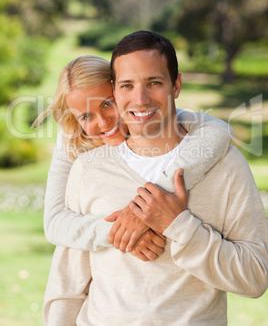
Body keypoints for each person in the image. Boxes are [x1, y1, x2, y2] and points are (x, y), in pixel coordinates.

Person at [43, 31, 268, 325]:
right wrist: (119, 230)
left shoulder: (224, 164)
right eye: (127, 86)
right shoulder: (86, 168)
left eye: (154, 83)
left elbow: (255, 278)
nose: (140, 98)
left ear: (176, 85)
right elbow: (67, 286)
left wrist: (179, 225)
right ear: (117, 89)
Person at [34, 55, 233, 256]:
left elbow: (218, 130)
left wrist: (147, 206)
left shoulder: (149, 114)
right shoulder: (73, 139)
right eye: (86, 116)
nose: (103, 122)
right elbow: (54, 223)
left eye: (107, 103)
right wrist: (122, 232)